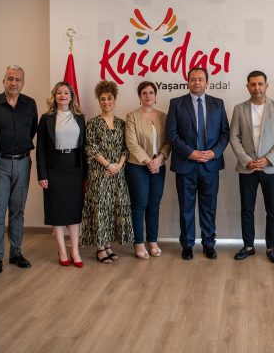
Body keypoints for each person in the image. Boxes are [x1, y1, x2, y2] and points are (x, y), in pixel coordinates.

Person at [166, 67, 230, 260]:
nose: (197, 82)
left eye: (200, 79)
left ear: (207, 82)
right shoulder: (176, 104)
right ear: (188, 82)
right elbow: (172, 134)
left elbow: (225, 133)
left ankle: (209, 244)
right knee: (186, 208)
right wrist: (190, 153)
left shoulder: (218, 104)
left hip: (210, 165)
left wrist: (214, 152)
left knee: (209, 207)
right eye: (193, 79)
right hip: (186, 165)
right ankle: (187, 245)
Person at [0, 65, 38, 274]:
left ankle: (16, 252)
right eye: (10, 79)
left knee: (17, 210)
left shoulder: (30, 104)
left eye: (18, 80)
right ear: (3, 80)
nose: (14, 83)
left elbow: (32, 130)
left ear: (23, 82)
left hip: (23, 162)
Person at [230, 70, 274, 264]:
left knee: (272, 209)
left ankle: (272, 247)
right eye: (253, 84)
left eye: (260, 84)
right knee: (247, 208)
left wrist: (268, 159)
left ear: (266, 85)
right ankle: (248, 246)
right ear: (247, 86)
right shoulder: (239, 109)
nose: (257, 88)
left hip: (271, 168)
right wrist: (246, 160)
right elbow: (234, 137)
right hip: (247, 167)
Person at [81, 80, 133, 263]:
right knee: (100, 209)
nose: (106, 102)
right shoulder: (93, 123)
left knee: (112, 209)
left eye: (109, 98)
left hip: (117, 174)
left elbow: (126, 148)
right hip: (100, 173)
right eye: (102, 99)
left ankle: (108, 245)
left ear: (115, 100)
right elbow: (90, 148)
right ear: (99, 101)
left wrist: (118, 165)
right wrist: (108, 165)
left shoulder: (122, 123)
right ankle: (100, 248)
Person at [36, 82, 86, 268]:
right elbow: (40, 149)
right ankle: (62, 251)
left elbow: (84, 146)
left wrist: (87, 173)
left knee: (74, 210)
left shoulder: (79, 117)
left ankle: (75, 251)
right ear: (54, 96)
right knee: (56, 210)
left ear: (72, 97)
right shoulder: (46, 118)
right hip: (54, 168)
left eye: (66, 93)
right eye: (59, 93)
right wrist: (42, 174)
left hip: (75, 167)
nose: (63, 95)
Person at [125, 81, 171, 260]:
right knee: (139, 204)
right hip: (137, 167)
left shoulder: (163, 117)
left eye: (151, 92)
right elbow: (131, 143)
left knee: (154, 204)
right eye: (144, 93)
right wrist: (148, 161)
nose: (148, 96)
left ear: (155, 95)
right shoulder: (132, 116)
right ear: (139, 96)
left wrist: (159, 159)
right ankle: (138, 242)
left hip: (158, 166)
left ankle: (152, 241)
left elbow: (168, 141)